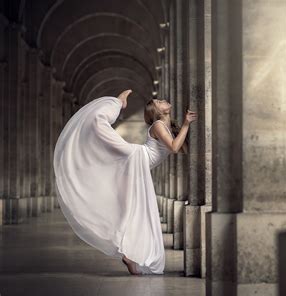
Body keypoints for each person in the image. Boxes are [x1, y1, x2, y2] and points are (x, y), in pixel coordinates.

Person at [53, 89, 197, 275]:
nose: (163, 100)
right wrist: (186, 124)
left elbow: (182, 148)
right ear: (158, 110)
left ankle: (129, 254)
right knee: (99, 127)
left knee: (134, 209)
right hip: (136, 157)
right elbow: (175, 147)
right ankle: (118, 104)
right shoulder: (159, 125)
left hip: (139, 163)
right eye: (159, 101)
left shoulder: (167, 126)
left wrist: (185, 128)